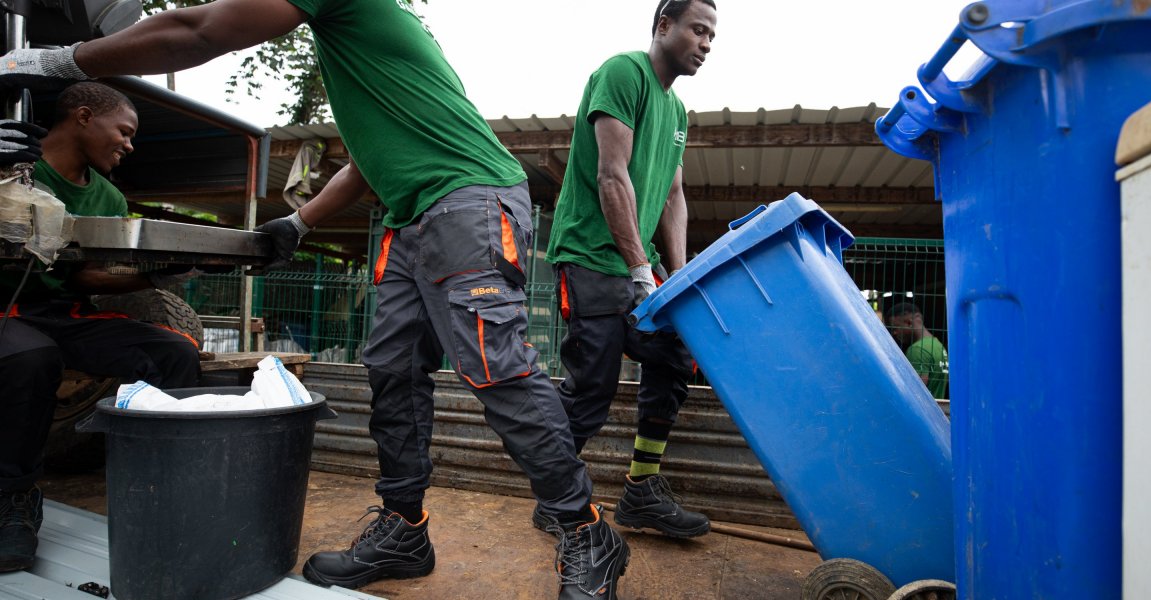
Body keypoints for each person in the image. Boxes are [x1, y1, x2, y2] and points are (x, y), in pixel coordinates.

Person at [0, 2, 629, 597]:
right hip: (410, 214)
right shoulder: (362, 53)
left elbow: (200, 30)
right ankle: (404, 528)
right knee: (392, 369)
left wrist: (61, 60)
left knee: (495, 366)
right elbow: (366, 161)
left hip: (467, 199)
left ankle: (585, 529)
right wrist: (299, 224)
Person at [0, 82, 201, 573]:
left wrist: (161, 273)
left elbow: (86, 276)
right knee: (32, 356)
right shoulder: (13, 166)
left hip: (60, 311)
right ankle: (12, 500)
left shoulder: (107, 195)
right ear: (85, 116)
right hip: (5, 310)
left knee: (175, 352)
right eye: (125, 132)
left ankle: (162, 488)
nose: (129, 145)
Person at [540, 0, 717, 539]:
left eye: (712, 36)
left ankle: (640, 490)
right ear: (664, 25)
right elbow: (611, 175)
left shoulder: (678, 112)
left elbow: (673, 196)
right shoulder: (624, 73)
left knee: (675, 354)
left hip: (638, 264)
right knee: (592, 387)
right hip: (591, 255)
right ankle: (555, 497)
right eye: (698, 30)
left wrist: (677, 277)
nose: (706, 44)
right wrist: (640, 268)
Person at [885, 302, 949, 399]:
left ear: (909, 323)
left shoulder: (917, 350)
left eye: (895, 328)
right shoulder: (937, 345)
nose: (894, 333)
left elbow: (916, 393)